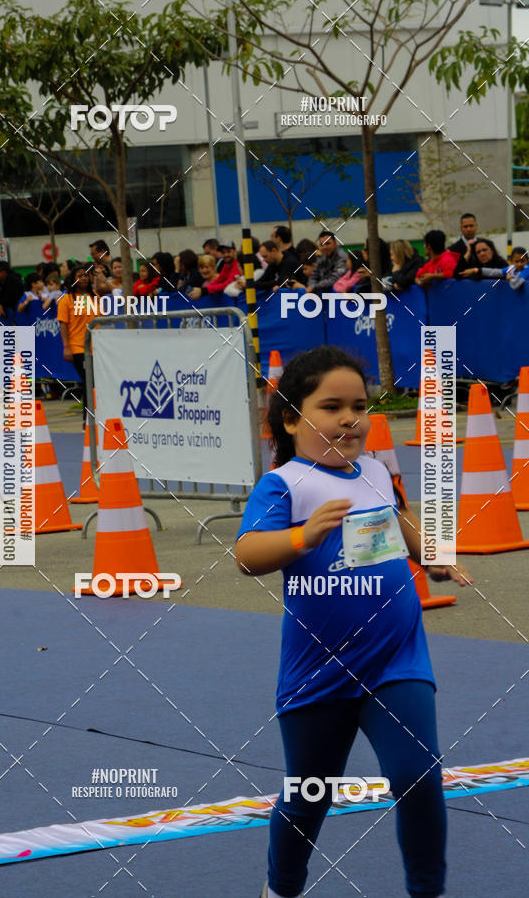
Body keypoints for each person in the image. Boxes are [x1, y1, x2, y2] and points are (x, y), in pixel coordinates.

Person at [234, 345, 472, 898]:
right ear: (291, 419)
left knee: (418, 775)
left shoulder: (374, 470)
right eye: (331, 406)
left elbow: (398, 520)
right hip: (319, 669)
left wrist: (431, 554)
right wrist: (303, 536)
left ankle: (427, 891)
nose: (349, 419)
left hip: (396, 659)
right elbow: (247, 555)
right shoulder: (284, 484)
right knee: (309, 794)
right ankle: (282, 888)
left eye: (359, 406)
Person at [56, 265, 98, 424]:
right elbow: (63, 324)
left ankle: (92, 420)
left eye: (86, 275)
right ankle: (87, 421)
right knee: (89, 382)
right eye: (80, 275)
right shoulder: (66, 299)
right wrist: (66, 346)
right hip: (78, 347)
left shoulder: (94, 297)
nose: (84, 278)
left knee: (93, 384)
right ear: (73, 279)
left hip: (96, 348)